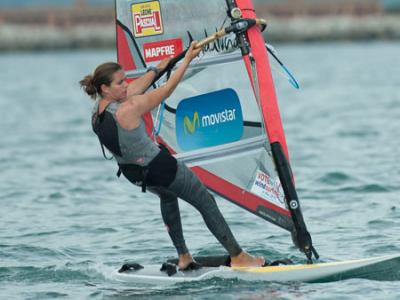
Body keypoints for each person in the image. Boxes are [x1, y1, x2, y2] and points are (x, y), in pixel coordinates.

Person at [80, 42, 264, 269]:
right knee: (205, 201)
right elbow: (165, 91)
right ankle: (238, 256)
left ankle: (184, 257)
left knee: (168, 197)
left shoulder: (98, 111)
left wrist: (156, 69)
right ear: (105, 88)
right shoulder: (129, 108)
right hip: (159, 167)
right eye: (120, 82)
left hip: (135, 173)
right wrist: (186, 60)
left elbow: (136, 89)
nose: (126, 85)